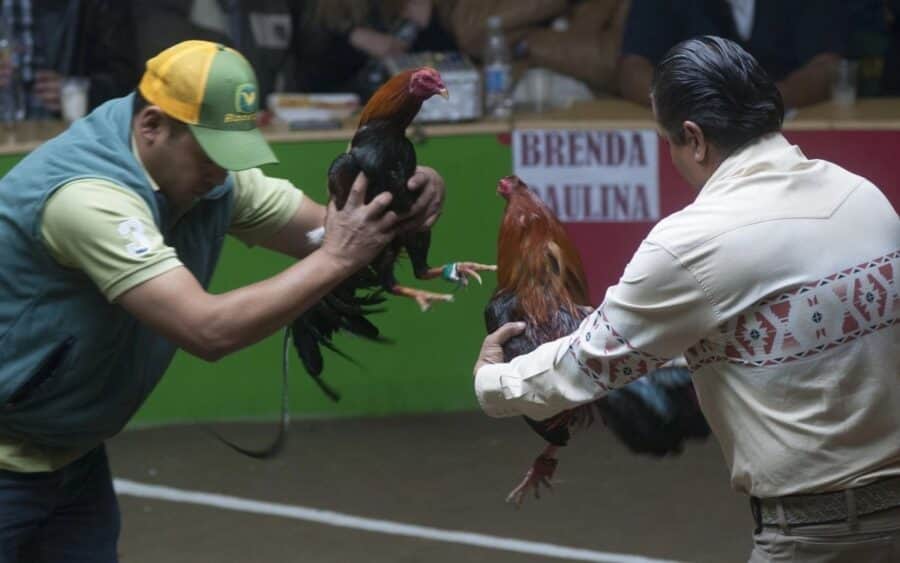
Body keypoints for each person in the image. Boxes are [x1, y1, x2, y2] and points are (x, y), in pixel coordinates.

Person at [0, 39, 445, 562]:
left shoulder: (212, 178)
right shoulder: (89, 200)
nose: (220, 169)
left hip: (72, 456)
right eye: (209, 149)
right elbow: (207, 330)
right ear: (152, 125)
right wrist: (336, 258)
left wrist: (405, 195)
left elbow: (336, 232)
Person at [474, 36, 899, 562]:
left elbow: (586, 367)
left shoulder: (691, 241)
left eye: (669, 141)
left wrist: (495, 380)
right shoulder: (865, 197)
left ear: (694, 139)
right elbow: (777, 316)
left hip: (815, 538)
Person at [616, 0, 848, 109]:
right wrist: (688, 102)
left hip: (789, 131)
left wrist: (766, 102)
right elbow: (633, 68)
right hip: (691, 129)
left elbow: (827, 66)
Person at [1, 0, 138, 118]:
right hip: (7, 132)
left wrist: (78, 93)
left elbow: (126, 80)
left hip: (68, 134)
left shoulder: (102, 5)